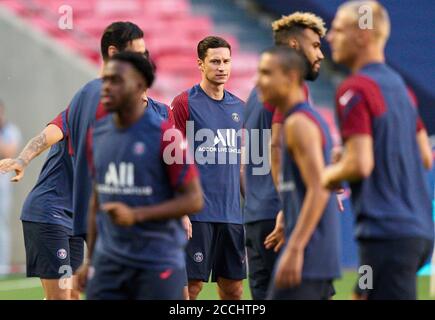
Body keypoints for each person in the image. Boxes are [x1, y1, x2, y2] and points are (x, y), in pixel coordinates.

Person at [0, 21, 164, 300]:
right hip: (49, 211)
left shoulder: (141, 110)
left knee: (74, 295)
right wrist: (23, 159)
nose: (143, 60)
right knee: (62, 297)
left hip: (78, 218)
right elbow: (49, 134)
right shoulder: (90, 97)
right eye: (138, 53)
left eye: (145, 55)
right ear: (114, 53)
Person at [323, 0, 434, 300]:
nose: (330, 37)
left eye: (338, 29)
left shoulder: (355, 89)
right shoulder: (402, 88)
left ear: (362, 34)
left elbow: (360, 165)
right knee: (361, 295)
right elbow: (425, 156)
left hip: (387, 236)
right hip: (416, 233)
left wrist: (327, 176)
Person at [75, 52, 203, 300]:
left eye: (116, 80)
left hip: (157, 262)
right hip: (108, 263)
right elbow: (98, 199)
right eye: (105, 79)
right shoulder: (98, 134)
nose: (107, 87)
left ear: (140, 86)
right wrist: (90, 260)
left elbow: (194, 200)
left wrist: (136, 215)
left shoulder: (168, 136)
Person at [243, 12, 327, 300]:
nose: (321, 54)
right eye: (315, 45)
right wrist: (285, 204)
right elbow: (277, 146)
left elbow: (246, 164)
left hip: (255, 218)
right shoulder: (291, 90)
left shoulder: (256, 93)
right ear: (293, 45)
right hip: (280, 217)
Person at [256, 47, 340, 300]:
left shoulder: (298, 123)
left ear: (291, 77)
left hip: (308, 256)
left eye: (267, 73)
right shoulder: (303, 117)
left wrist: (295, 247)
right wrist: (287, 212)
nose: (259, 81)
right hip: (314, 255)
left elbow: (319, 187)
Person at [171, 36, 246, 300]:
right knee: (191, 288)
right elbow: (172, 161)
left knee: (233, 289)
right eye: (215, 61)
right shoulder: (184, 103)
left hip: (232, 215)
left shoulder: (240, 108)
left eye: (226, 61)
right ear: (200, 64)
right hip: (197, 214)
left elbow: (241, 166)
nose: (222, 67)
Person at [0, 100, 21, 276]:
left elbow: (8, 152)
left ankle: (2, 267)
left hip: (2, 183)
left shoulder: (11, 131)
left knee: (2, 224)